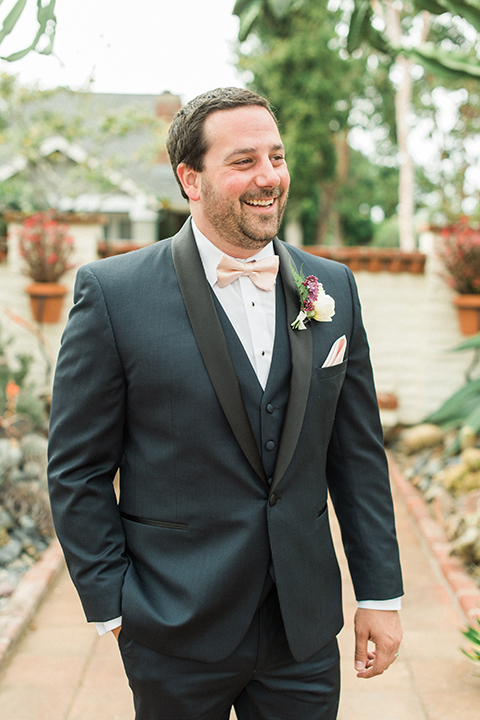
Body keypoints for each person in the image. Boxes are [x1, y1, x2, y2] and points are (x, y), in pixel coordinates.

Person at [48, 87, 403, 720]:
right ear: (191, 178)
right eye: (243, 161)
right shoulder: (112, 294)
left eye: (277, 156)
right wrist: (114, 605)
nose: (268, 177)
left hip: (303, 630)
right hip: (174, 626)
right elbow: (77, 470)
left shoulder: (332, 288)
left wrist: (381, 594)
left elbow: (358, 456)